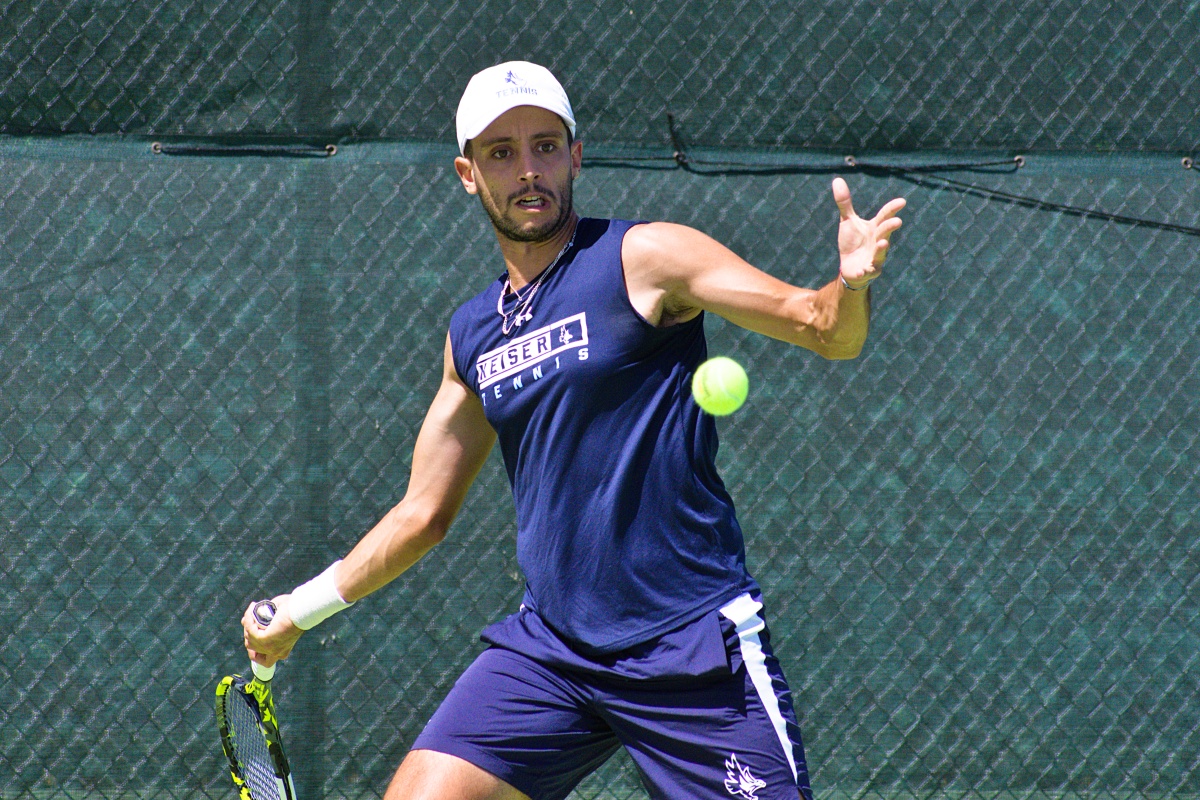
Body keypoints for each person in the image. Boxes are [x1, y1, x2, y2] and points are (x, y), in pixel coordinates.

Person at [243, 60, 905, 800]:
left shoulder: (646, 258)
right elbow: (421, 516)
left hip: (687, 647)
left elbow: (822, 329)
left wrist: (847, 284)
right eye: (501, 153)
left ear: (575, 155)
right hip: (551, 653)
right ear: (468, 173)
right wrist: (298, 611)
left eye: (545, 146)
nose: (529, 170)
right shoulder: (472, 339)